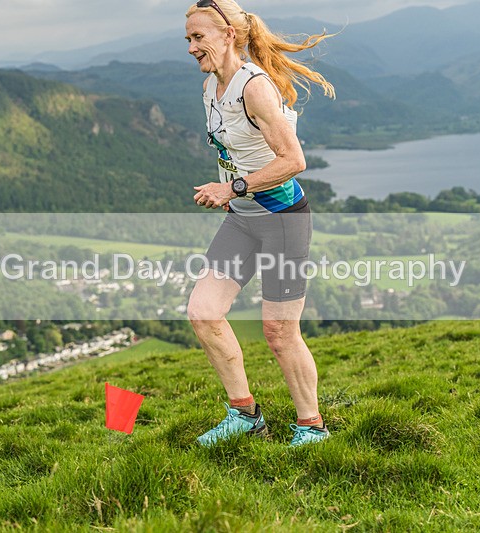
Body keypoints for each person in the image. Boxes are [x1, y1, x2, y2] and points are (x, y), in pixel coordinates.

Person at [184, 0, 336, 447]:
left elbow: (295, 160)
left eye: (199, 37)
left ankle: (312, 428)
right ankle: (245, 414)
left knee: (280, 332)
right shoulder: (212, 87)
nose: (192, 47)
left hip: (282, 219)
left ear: (228, 34)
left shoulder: (255, 88)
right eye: (188, 39)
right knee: (204, 312)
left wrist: (231, 188)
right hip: (243, 220)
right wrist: (234, 193)